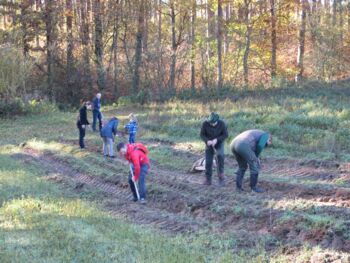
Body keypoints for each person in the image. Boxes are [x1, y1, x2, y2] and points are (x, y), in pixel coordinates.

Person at [200, 112, 228, 186]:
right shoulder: (205, 124)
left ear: (217, 121)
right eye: (210, 123)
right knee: (208, 161)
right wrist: (207, 141)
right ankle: (208, 179)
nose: (211, 124)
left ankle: (221, 178)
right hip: (209, 144)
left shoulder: (222, 124)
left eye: (213, 123)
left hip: (219, 143)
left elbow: (225, 134)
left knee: (220, 156)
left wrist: (217, 140)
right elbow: (202, 134)